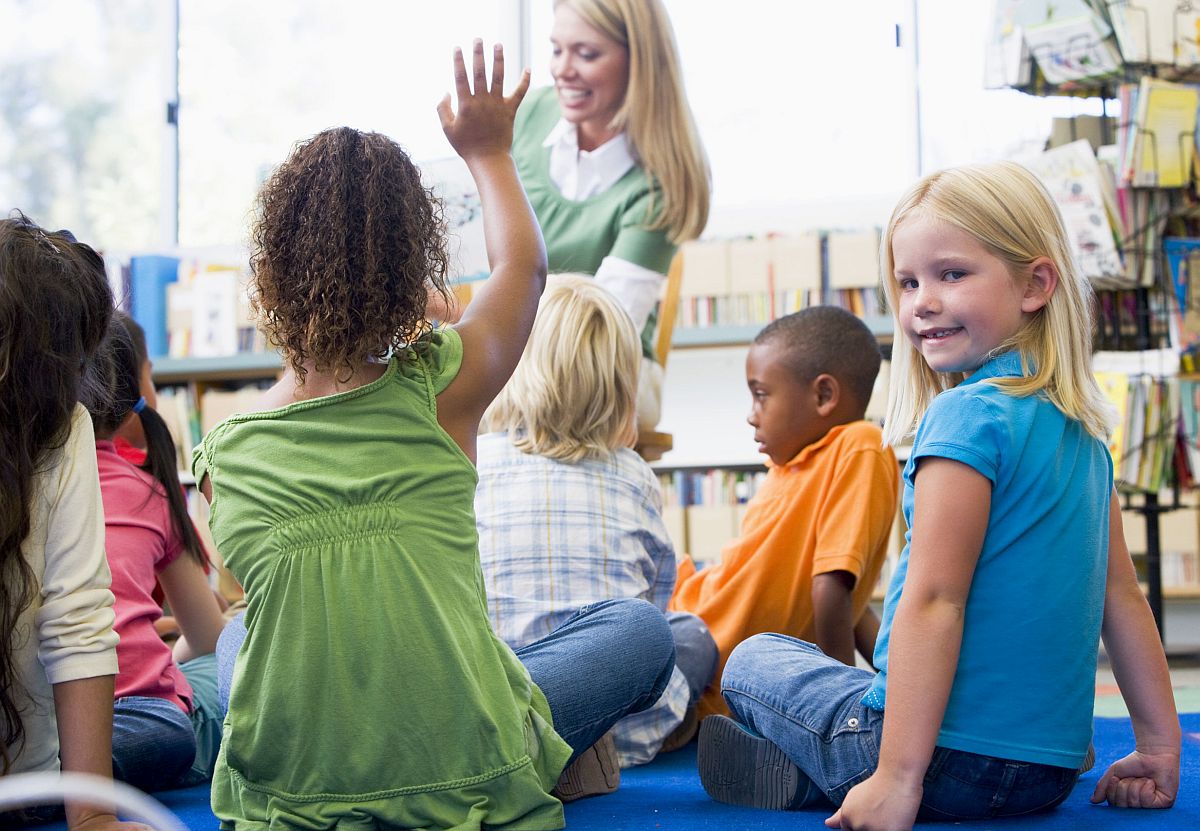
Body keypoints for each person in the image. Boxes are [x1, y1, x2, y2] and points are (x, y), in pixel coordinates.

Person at [198, 43, 674, 829]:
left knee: (241, 631)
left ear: (269, 278)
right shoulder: (441, 386)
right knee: (643, 631)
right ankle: (539, 738)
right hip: (469, 764)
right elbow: (523, 269)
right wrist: (488, 150)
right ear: (413, 272)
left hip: (297, 797)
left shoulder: (227, 448)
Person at [698, 162, 1181, 829]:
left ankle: (841, 772)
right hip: (1050, 771)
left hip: (939, 766)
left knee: (755, 658)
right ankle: (822, 769)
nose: (922, 299)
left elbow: (935, 598)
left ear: (1035, 283)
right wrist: (1158, 746)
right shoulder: (1087, 441)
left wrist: (899, 777)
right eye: (907, 281)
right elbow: (1122, 598)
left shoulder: (966, 417)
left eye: (951, 274)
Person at [476, 273, 718, 768]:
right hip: (616, 729)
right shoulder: (632, 473)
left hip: (492, 715)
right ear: (621, 386)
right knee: (690, 634)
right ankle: (644, 741)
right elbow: (652, 599)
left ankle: (536, 747)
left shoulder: (472, 460)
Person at [669, 305, 899, 721]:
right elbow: (844, 596)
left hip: (710, 668)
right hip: (694, 640)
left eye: (761, 394)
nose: (750, 414)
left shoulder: (860, 445)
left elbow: (837, 591)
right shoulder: (793, 465)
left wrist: (843, 716)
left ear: (824, 396)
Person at [0, 214, 148, 831]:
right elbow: (79, 622)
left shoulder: (66, 433)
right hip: (36, 783)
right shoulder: (65, 430)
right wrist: (90, 817)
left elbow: (79, 621)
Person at [511, 0, 711, 429]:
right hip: (515, 348)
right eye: (556, 49)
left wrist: (478, 314)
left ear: (638, 63)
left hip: (605, 366)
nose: (563, 70)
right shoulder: (529, 115)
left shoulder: (660, 186)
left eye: (586, 54)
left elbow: (600, 331)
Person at [79, 311, 228, 792]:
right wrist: (171, 657)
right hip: (149, 718)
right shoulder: (147, 494)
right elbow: (207, 639)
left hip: (51, 726)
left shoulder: (26, 488)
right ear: (132, 395)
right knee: (240, 637)